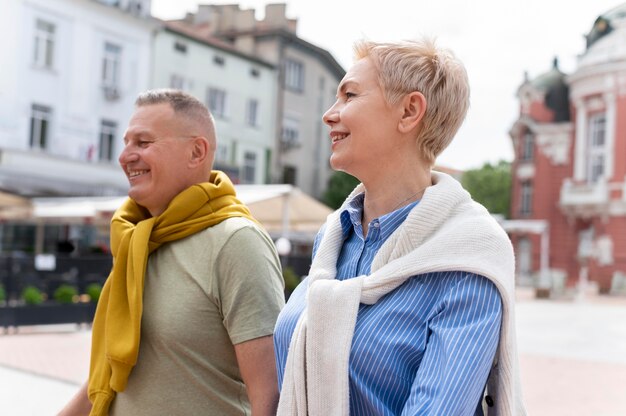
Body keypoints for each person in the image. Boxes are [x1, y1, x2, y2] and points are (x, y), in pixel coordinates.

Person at [274, 38, 526, 416]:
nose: (329, 114)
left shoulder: (466, 258)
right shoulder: (333, 239)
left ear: (409, 111)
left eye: (349, 95)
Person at [59, 89, 285, 416]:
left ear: (196, 152)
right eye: (126, 142)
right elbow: (109, 377)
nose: (125, 156)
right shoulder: (137, 241)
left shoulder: (236, 241)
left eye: (143, 142)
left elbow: (270, 394)